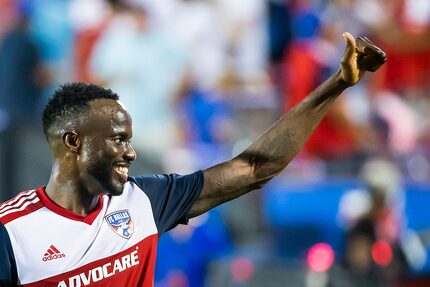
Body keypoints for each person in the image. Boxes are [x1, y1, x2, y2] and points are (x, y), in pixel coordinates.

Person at [0, 32, 386, 286]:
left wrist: (336, 84)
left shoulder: (142, 201)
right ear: (73, 141)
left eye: (130, 140)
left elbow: (255, 167)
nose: (130, 153)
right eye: (118, 140)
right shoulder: (13, 233)